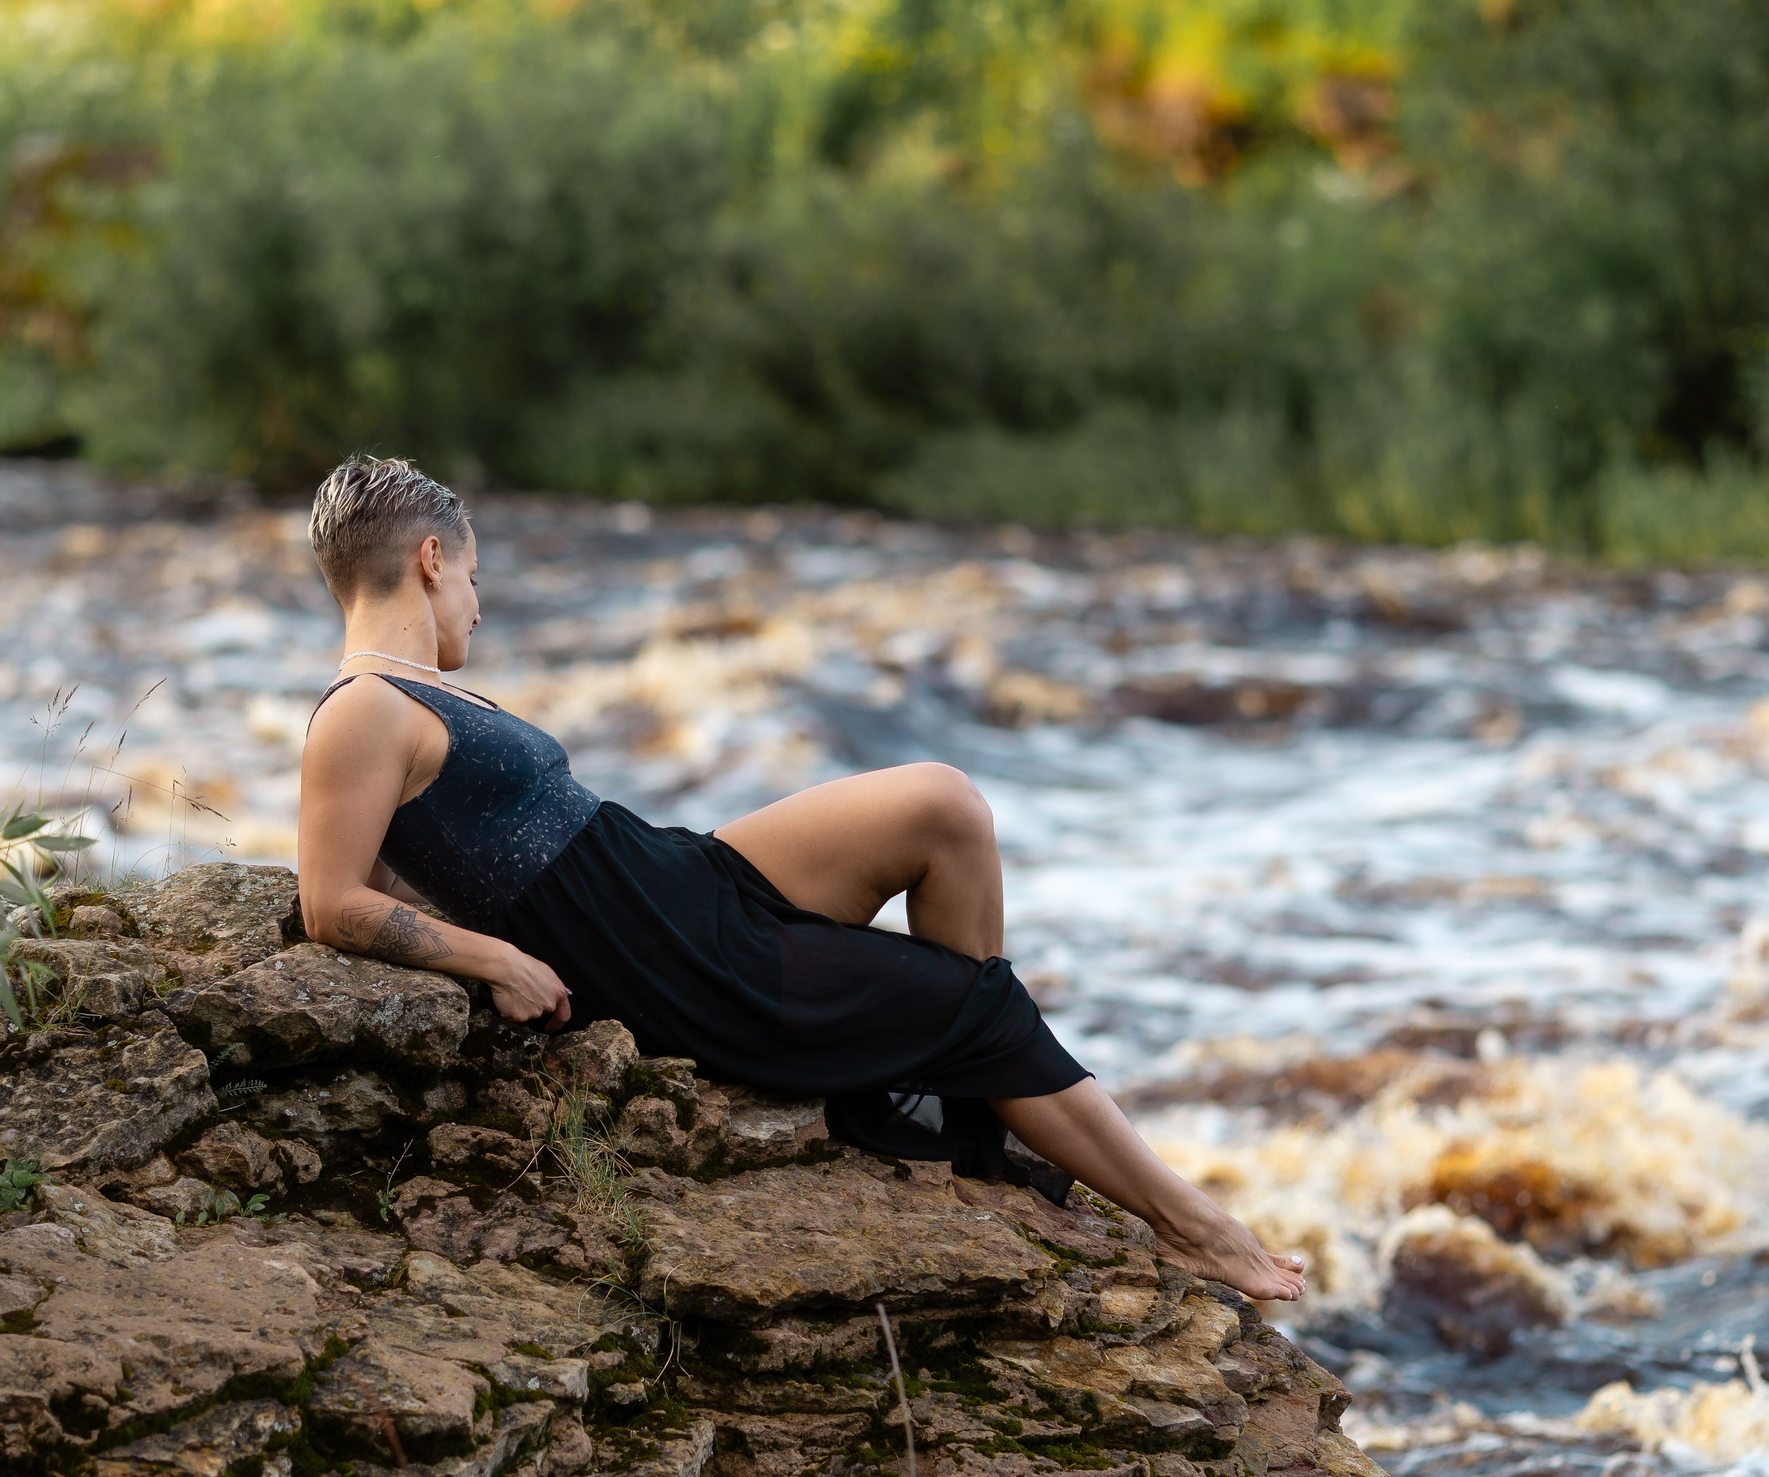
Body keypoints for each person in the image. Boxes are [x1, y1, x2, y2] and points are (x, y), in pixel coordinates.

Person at [294, 457, 1307, 1303]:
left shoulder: (408, 697)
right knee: (981, 1002)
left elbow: (403, 869)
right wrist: (495, 958)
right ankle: (1191, 1223)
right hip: (669, 955)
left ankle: (966, 1088)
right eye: (474, 578)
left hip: (670, 877)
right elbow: (332, 902)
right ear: (432, 560)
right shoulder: (361, 708)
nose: (478, 604)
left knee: (944, 805)